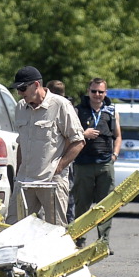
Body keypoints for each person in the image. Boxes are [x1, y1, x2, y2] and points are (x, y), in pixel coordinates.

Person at [5, 66, 85, 227]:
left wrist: (58, 168)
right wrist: (19, 172)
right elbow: (22, 142)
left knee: (55, 230)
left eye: (22, 88)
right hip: (25, 181)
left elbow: (78, 141)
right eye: (17, 89)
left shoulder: (60, 105)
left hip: (51, 181)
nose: (20, 93)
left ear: (36, 85)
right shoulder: (21, 107)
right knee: (13, 227)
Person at [72, 78, 121, 254]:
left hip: (105, 163)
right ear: (88, 91)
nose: (97, 95)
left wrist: (115, 154)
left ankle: (104, 242)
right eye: (94, 91)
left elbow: (118, 136)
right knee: (82, 204)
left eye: (101, 92)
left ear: (105, 93)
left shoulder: (111, 111)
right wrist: (84, 133)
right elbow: (70, 133)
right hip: (83, 164)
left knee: (106, 204)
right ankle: (79, 240)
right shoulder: (78, 110)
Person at [47, 79, 76, 224]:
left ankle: (68, 223)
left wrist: (60, 164)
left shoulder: (63, 107)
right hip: (63, 161)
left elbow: (73, 139)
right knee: (66, 198)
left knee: (63, 198)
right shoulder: (68, 106)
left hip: (61, 162)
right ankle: (69, 222)